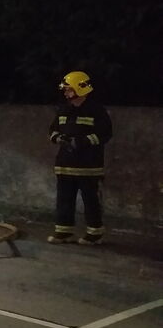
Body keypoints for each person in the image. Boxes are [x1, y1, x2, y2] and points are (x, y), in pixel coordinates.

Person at [47, 71, 112, 245]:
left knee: (91, 201)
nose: (66, 93)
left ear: (81, 89)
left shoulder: (96, 111)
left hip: (89, 167)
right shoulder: (63, 109)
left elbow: (105, 134)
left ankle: (94, 233)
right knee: (64, 200)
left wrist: (82, 142)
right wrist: (59, 138)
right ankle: (64, 232)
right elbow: (52, 130)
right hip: (65, 165)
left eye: (69, 89)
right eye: (65, 90)